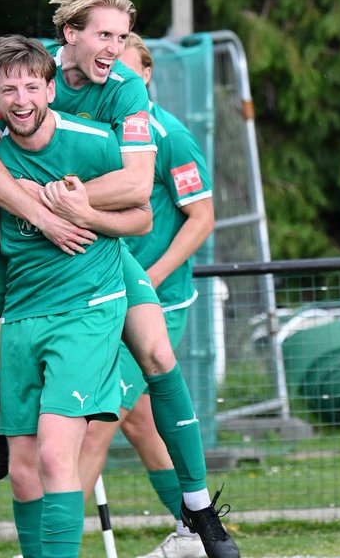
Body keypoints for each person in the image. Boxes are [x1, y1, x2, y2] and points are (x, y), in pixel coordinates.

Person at [0, 0, 238, 558]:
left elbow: (138, 189)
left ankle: (198, 510)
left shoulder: (123, 90)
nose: (116, 50)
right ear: (69, 35)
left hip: (87, 249)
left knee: (156, 356)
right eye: (105, 36)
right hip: (23, 244)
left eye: (123, 38)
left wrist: (65, 204)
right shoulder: (24, 77)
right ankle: (8, 412)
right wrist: (32, 215)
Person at [0, 35, 148, 558]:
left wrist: (86, 214)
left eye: (31, 87)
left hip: (86, 312)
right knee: (22, 473)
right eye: (8, 90)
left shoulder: (95, 143)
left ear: (50, 89)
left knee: (56, 455)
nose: (21, 100)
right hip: (22, 317)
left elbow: (142, 215)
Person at [76, 34, 217, 558]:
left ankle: (50, 548)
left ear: (148, 75)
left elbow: (202, 218)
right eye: (109, 69)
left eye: (127, 69)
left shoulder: (170, 136)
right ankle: (191, 533)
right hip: (103, 296)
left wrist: (152, 277)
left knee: (94, 425)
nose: (116, 80)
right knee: (136, 421)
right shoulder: (98, 128)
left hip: (156, 303)